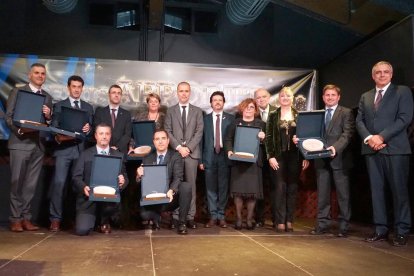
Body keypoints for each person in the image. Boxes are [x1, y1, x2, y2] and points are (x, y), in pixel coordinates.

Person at [356, 61, 413, 246]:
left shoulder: (402, 91)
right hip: (371, 150)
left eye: (385, 72)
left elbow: (405, 118)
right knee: (377, 192)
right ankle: (380, 229)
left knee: (399, 192)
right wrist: (369, 139)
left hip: (396, 149)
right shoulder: (366, 96)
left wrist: (381, 137)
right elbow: (359, 121)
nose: (382, 75)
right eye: (378, 72)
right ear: (373, 76)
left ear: (391, 74)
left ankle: (402, 230)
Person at [6, 63, 52, 232]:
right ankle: (15, 219)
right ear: (29, 75)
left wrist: (48, 116)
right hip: (20, 143)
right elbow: (9, 117)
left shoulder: (47, 97)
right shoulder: (18, 92)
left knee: (30, 185)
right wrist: (20, 130)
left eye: (43, 74)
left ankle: (26, 218)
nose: (40, 76)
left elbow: (48, 124)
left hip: (38, 146)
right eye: (37, 73)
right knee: (17, 183)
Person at [48, 75, 94, 232]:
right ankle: (55, 219)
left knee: (79, 187)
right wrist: (61, 136)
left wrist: (89, 129)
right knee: (59, 184)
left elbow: (91, 131)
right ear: (68, 88)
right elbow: (53, 128)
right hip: (63, 151)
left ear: (82, 88)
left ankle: (76, 218)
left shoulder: (88, 107)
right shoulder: (60, 106)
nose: (76, 89)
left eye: (79, 87)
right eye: (73, 86)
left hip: (81, 151)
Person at [309, 84, 354, 237]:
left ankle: (343, 226)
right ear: (323, 97)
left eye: (333, 95)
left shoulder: (346, 112)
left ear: (338, 97)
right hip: (321, 160)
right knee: (322, 195)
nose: (330, 97)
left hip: (339, 159)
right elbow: (312, 135)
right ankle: (322, 224)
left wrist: (335, 148)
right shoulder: (318, 114)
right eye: (327, 95)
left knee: (343, 195)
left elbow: (347, 134)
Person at [72, 123, 128, 236]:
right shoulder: (85, 154)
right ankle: (94, 220)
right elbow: (76, 177)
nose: (104, 136)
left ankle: (104, 220)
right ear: (96, 136)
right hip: (88, 198)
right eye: (101, 133)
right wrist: (83, 187)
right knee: (82, 230)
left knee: (113, 212)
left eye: (107, 134)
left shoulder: (119, 155)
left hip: (109, 200)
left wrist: (122, 182)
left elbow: (125, 178)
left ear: (110, 136)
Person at [266, 87, 309, 232]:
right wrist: (270, 156)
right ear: (279, 98)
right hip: (278, 156)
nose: (285, 98)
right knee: (279, 187)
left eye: (288, 96)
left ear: (292, 98)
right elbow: (268, 138)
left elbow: (305, 137)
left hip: (295, 156)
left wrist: (305, 155)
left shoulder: (299, 115)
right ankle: (279, 220)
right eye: (282, 96)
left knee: (292, 187)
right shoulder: (273, 115)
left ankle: (289, 219)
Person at [136, 129, 192, 235]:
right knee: (145, 216)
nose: (160, 141)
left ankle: (182, 223)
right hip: (153, 198)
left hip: (169, 197)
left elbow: (178, 177)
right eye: (157, 139)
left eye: (163, 138)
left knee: (186, 186)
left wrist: (171, 190)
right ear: (153, 142)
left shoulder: (175, 156)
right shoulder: (147, 158)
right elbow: (141, 183)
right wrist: (139, 175)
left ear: (168, 141)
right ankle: (156, 217)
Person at [164, 82, 204, 229]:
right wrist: (180, 147)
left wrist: (188, 148)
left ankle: (189, 217)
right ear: (177, 92)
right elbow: (167, 130)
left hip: (192, 155)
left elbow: (199, 131)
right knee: (176, 185)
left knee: (191, 187)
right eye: (181, 91)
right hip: (176, 154)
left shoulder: (198, 111)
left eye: (186, 91)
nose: (184, 93)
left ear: (190, 93)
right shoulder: (170, 111)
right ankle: (176, 216)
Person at [225, 98, 265, 230]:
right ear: (242, 109)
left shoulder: (261, 124)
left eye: (252, 107)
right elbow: (228, 139)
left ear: (256, 110)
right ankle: (238, 219)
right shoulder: (235, 123)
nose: (249, 109)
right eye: (246, 107)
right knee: (238, 193)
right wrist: (230, 151)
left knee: (252, 194)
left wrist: (263, 138)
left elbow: (267, 143)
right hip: (238, 162)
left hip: (254, 164)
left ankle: (249, 220)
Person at [200, 91, 235, 228]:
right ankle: (213, 216)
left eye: (220, 100)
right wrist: (201, 160)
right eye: (215, 100)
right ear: (211, 103)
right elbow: (201, 141)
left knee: (223, 188)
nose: (217, 102)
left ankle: (221, 216)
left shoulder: (231, 119)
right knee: (210, 188)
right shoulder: (205, 119)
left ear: (224, 102)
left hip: (225, 157)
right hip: (209, 157)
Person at [254, 88, 277, 227]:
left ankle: (276, 219)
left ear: (269, 98)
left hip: (274, 157)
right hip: (257, 156)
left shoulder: (277, 111)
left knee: (276, 187)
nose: (261, 99)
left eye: (264, 97)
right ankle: (259, 219)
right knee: (259, 188)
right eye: (258, 98)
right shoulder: (251, 112)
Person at [94, 84, 132, 155]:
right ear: (109, 95)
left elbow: (127, 134)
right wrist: (108, 147)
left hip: (120, 152)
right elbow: (97, 131)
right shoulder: (100, 112)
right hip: (102, 151)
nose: (116, 95)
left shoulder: (127, 114)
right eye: (113, 92)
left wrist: (117, 147)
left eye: (119, 93)